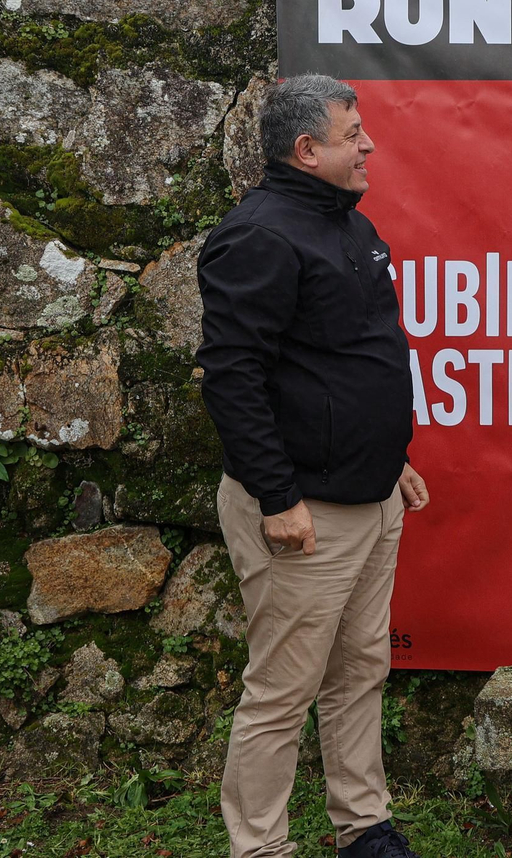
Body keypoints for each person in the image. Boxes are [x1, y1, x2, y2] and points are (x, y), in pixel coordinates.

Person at [198, 74, 430, 858]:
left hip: (371, 496)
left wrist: (391, 460)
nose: (368, 145)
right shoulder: (261, 235)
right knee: (282, 689)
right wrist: (277, 495)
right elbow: (233, 376)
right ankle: (260, 847)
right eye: (352, 133)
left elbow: (354, 357)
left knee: (361, 669)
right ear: (308, 150)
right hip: (303, 512)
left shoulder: (345, 223)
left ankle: (363, 825)